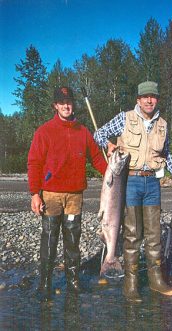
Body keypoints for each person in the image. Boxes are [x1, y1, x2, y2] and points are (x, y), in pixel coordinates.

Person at [94, 81, 172, 303]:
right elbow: (98, 134)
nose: (149, 100)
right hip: (130, 181)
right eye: (145, 97)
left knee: (154, 234)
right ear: (138, 99)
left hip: (153, 182)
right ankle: (131, 284)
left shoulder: (162, 124)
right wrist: (109, 145)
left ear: (157, 99)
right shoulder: (124, 118)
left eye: (153, 96)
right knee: (133, 234)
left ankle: (156, 280)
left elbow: (167, 153)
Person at [28, 86, 107, 299]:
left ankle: (73, 284)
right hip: (51, 194)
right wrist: (35, 193)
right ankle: (44, 285)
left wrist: (113, 173)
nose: (66, 105)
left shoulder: (83, 131)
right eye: (61, 102)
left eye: (69, 102)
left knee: (73, 240)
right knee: (50, 238)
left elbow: (97, 159)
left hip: (75, 196)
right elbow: (34, 163)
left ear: (73, 104)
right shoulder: (44, 131)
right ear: (55, 105)